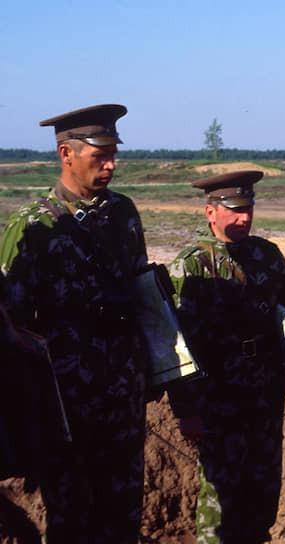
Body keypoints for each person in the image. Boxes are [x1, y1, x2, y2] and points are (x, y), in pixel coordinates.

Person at [0, 104, 148, 542]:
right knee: (72, 519)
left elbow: (144, 295)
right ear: (67, 154)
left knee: (124, 514)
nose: (111, 165)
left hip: (124, 395)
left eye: (113, 154)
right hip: (66, 407)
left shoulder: (123, 214)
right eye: (99, 156)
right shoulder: (34, 225)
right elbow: (12, 329)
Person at [167, 170, 285, 543]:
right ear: (211, 212)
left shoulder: (267, 255)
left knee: (262, 494)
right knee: (219, 504)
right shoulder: (191, 265)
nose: (244, 218)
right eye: (234, 210)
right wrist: (187, 410)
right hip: (218, 401)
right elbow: (177, 345)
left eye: (248, 208)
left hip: (263, 395)